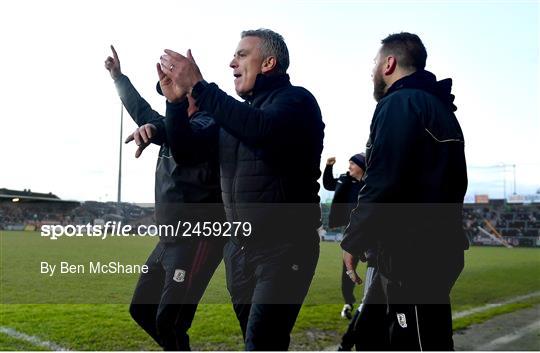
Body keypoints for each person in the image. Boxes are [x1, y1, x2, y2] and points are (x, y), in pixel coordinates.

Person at [157, 29, 325, 350]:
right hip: (240, 252)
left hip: (283, 249)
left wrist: (200, 87)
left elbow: (261, 130)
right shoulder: (234, 117)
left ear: (268, 63)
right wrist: (176, 105)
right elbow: (186, 152)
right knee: (259, 340)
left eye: (242, 54)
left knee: (261, 342)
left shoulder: (297, 101)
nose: (232, 62)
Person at [340, 32, 468, 350]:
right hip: (423, 251)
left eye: (375, 63)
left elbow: (383, 180)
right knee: (386, 333)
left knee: (417, 339)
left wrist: (354, 240)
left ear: (389, 63)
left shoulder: (399, 103)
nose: (372, 71)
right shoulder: (438, 108)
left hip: (413, 256)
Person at [104, 46, 225, 351]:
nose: (171, 96)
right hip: (170, 239)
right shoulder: (173, 122)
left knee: (170, 321)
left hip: (198, 238)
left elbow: (182, 137)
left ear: (191, 87)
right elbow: (144, 112)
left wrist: (157, 126)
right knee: (141, 310)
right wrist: (118, 77)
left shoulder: (210, 122)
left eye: (175, 88)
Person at [322, 154, 368, 319]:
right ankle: (348, 301)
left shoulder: (371, 185)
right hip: (351, 233)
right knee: (348, 267)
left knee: (375, 263)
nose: (349, 167)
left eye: (352, 164)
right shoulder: (344, 179)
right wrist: (328, 167)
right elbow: (327, 185)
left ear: (361, 166)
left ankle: (375, 298)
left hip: (369, 232)